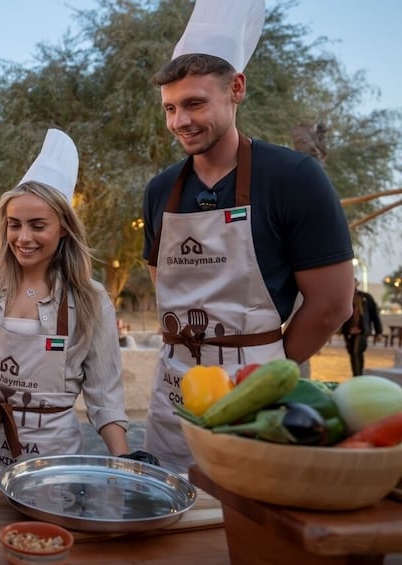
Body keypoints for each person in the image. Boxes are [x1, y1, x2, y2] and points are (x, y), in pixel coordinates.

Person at [141, 0, 354, 472]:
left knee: (247, 505)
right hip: (174, 394)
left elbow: (332, 305)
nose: (180, 122)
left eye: (195, 104)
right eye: (170, 108)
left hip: (255, 393)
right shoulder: (160, 191)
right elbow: (166, 288)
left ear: (236, 88)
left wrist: (265, 371)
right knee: (170, 505)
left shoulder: (293, 177)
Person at [0, 128, 153, 477]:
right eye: (14, 225)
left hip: (52, 462)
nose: (23, 238)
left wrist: (125, 457)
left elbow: (104, 396)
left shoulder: (90, 301)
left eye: (38, 226)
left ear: (64, 227)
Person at [341, 279, 383, 376]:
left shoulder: (366, 297)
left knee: (357, 352)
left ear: (357, 284)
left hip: (362, 330)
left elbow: (374, 315)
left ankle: (358, 375)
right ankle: (356, 374)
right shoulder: (343, 297)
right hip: (348, 331)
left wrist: (378, 332)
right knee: (352, 353)